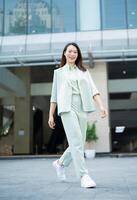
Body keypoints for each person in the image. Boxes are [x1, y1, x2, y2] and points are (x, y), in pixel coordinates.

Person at [48, 42, 107, 188]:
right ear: (64, 53)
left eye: (75, 52)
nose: (72, 54)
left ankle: (60, 163)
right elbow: (54, 96)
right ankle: (83, 175)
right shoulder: (59, 73)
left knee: (79, 142)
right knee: (75, 141)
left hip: (82, 108)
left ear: (78, 55)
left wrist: (101, 106)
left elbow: (94, 89)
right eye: (70, 51)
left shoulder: (83, 72)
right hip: (67, 108)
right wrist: (51, 115)